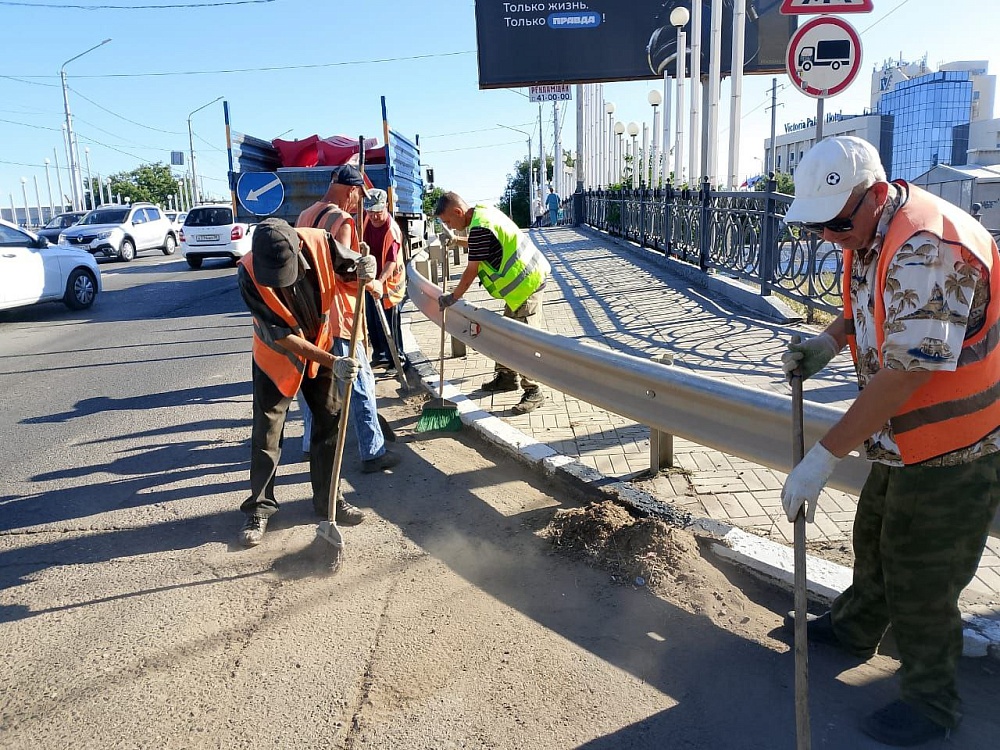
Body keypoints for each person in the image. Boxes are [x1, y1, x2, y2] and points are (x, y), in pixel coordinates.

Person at [779, 136, 1000, 747]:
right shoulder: (872, 228)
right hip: (904, 438)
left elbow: (910, 369)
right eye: (819, 229)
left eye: (836, 225)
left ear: (874, 195)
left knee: (921, 574)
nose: (829, 238)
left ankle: (933, 703)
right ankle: (855, 628)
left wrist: (824, 455)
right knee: (875, 536)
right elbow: (867, 304)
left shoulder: (929, 246)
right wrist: (829, 339)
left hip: (956, 446)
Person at [236, 218, 374, 547]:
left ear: (298, 247)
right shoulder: (247, 272)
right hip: (276, 357)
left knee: (330, 422)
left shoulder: (322, 243)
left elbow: (350, 270)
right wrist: (335, 362)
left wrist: (363, 268)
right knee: (267, 433)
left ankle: (329, 501)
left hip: (321, 342)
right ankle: (259, 507)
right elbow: (281, 336)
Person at [297, 165, 401, 474]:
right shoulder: (341, 220)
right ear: (352, 191)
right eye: (359, 197)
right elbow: (344, 271)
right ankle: (373, 450)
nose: (358, 205)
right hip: (339, 313)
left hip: (311, 314)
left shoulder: (306, 215)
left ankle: (309, 444)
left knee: (314, 382)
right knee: (358, 380)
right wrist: (373, 281)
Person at [434, 191, 551, 414]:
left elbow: (471, 270)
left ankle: (533, 390)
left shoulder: (479, 228)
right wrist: (457, 240)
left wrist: (452, 298)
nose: (449, 225)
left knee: (523, 340)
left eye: (448, 221)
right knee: (505, 335)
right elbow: (482, 243)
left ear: (458, 212)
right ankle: (506, 377)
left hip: (527, 284)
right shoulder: (483, 213)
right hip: (521, 285)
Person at [362, 188, 408, 371]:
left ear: (386, 207)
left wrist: (379, 283)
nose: (373, 216)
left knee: (391, 323)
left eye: (377, 212)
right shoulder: (365, 221)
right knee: (372, 320)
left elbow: (390, 261)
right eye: (370, 212)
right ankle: (381, 356)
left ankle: (398, 359)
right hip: (372, 281)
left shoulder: (392, 231)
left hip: (390, 285)